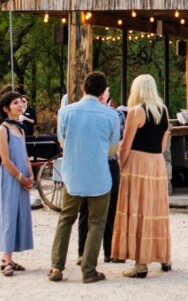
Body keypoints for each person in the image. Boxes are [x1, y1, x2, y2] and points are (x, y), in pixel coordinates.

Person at [48, 72, 121, 284]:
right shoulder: (111, 115)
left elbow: (62, 141)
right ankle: (89, 270)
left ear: (83, 88)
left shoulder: (66, 112)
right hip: (99, 176)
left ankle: (56, 266)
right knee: (97, 222)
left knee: (65, 220)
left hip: (73, 175)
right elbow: (113, 148)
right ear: (103, 92)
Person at [111, 75, 171, 279]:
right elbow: (164, 144)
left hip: (138, 163)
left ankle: (140, 263)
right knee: (156, 209)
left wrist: (122, 165)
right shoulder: (163, 111)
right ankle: (164, 257)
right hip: (157, 162)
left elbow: (125, 145)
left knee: (138, 210)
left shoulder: (136, 112)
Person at [0, 90, 34, 276]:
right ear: (6, 108)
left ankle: (9, 257)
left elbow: (24, 155)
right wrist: (20, 177)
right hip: (10, 178)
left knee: (18, 215)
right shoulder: (3, 130)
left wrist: (30, 174)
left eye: (20, 102)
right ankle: (6, 259)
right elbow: (6, 159)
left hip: (22, 177)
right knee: (8, 215)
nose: (20, 105)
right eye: (15, 103)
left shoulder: (20, 129)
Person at [78, 86, 123, 263]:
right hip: (101, 161)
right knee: (93, 209)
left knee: (101, 208)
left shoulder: (114, 114)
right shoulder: (109, 114)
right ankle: (95, 251)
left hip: (99, 162)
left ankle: (98, 251)